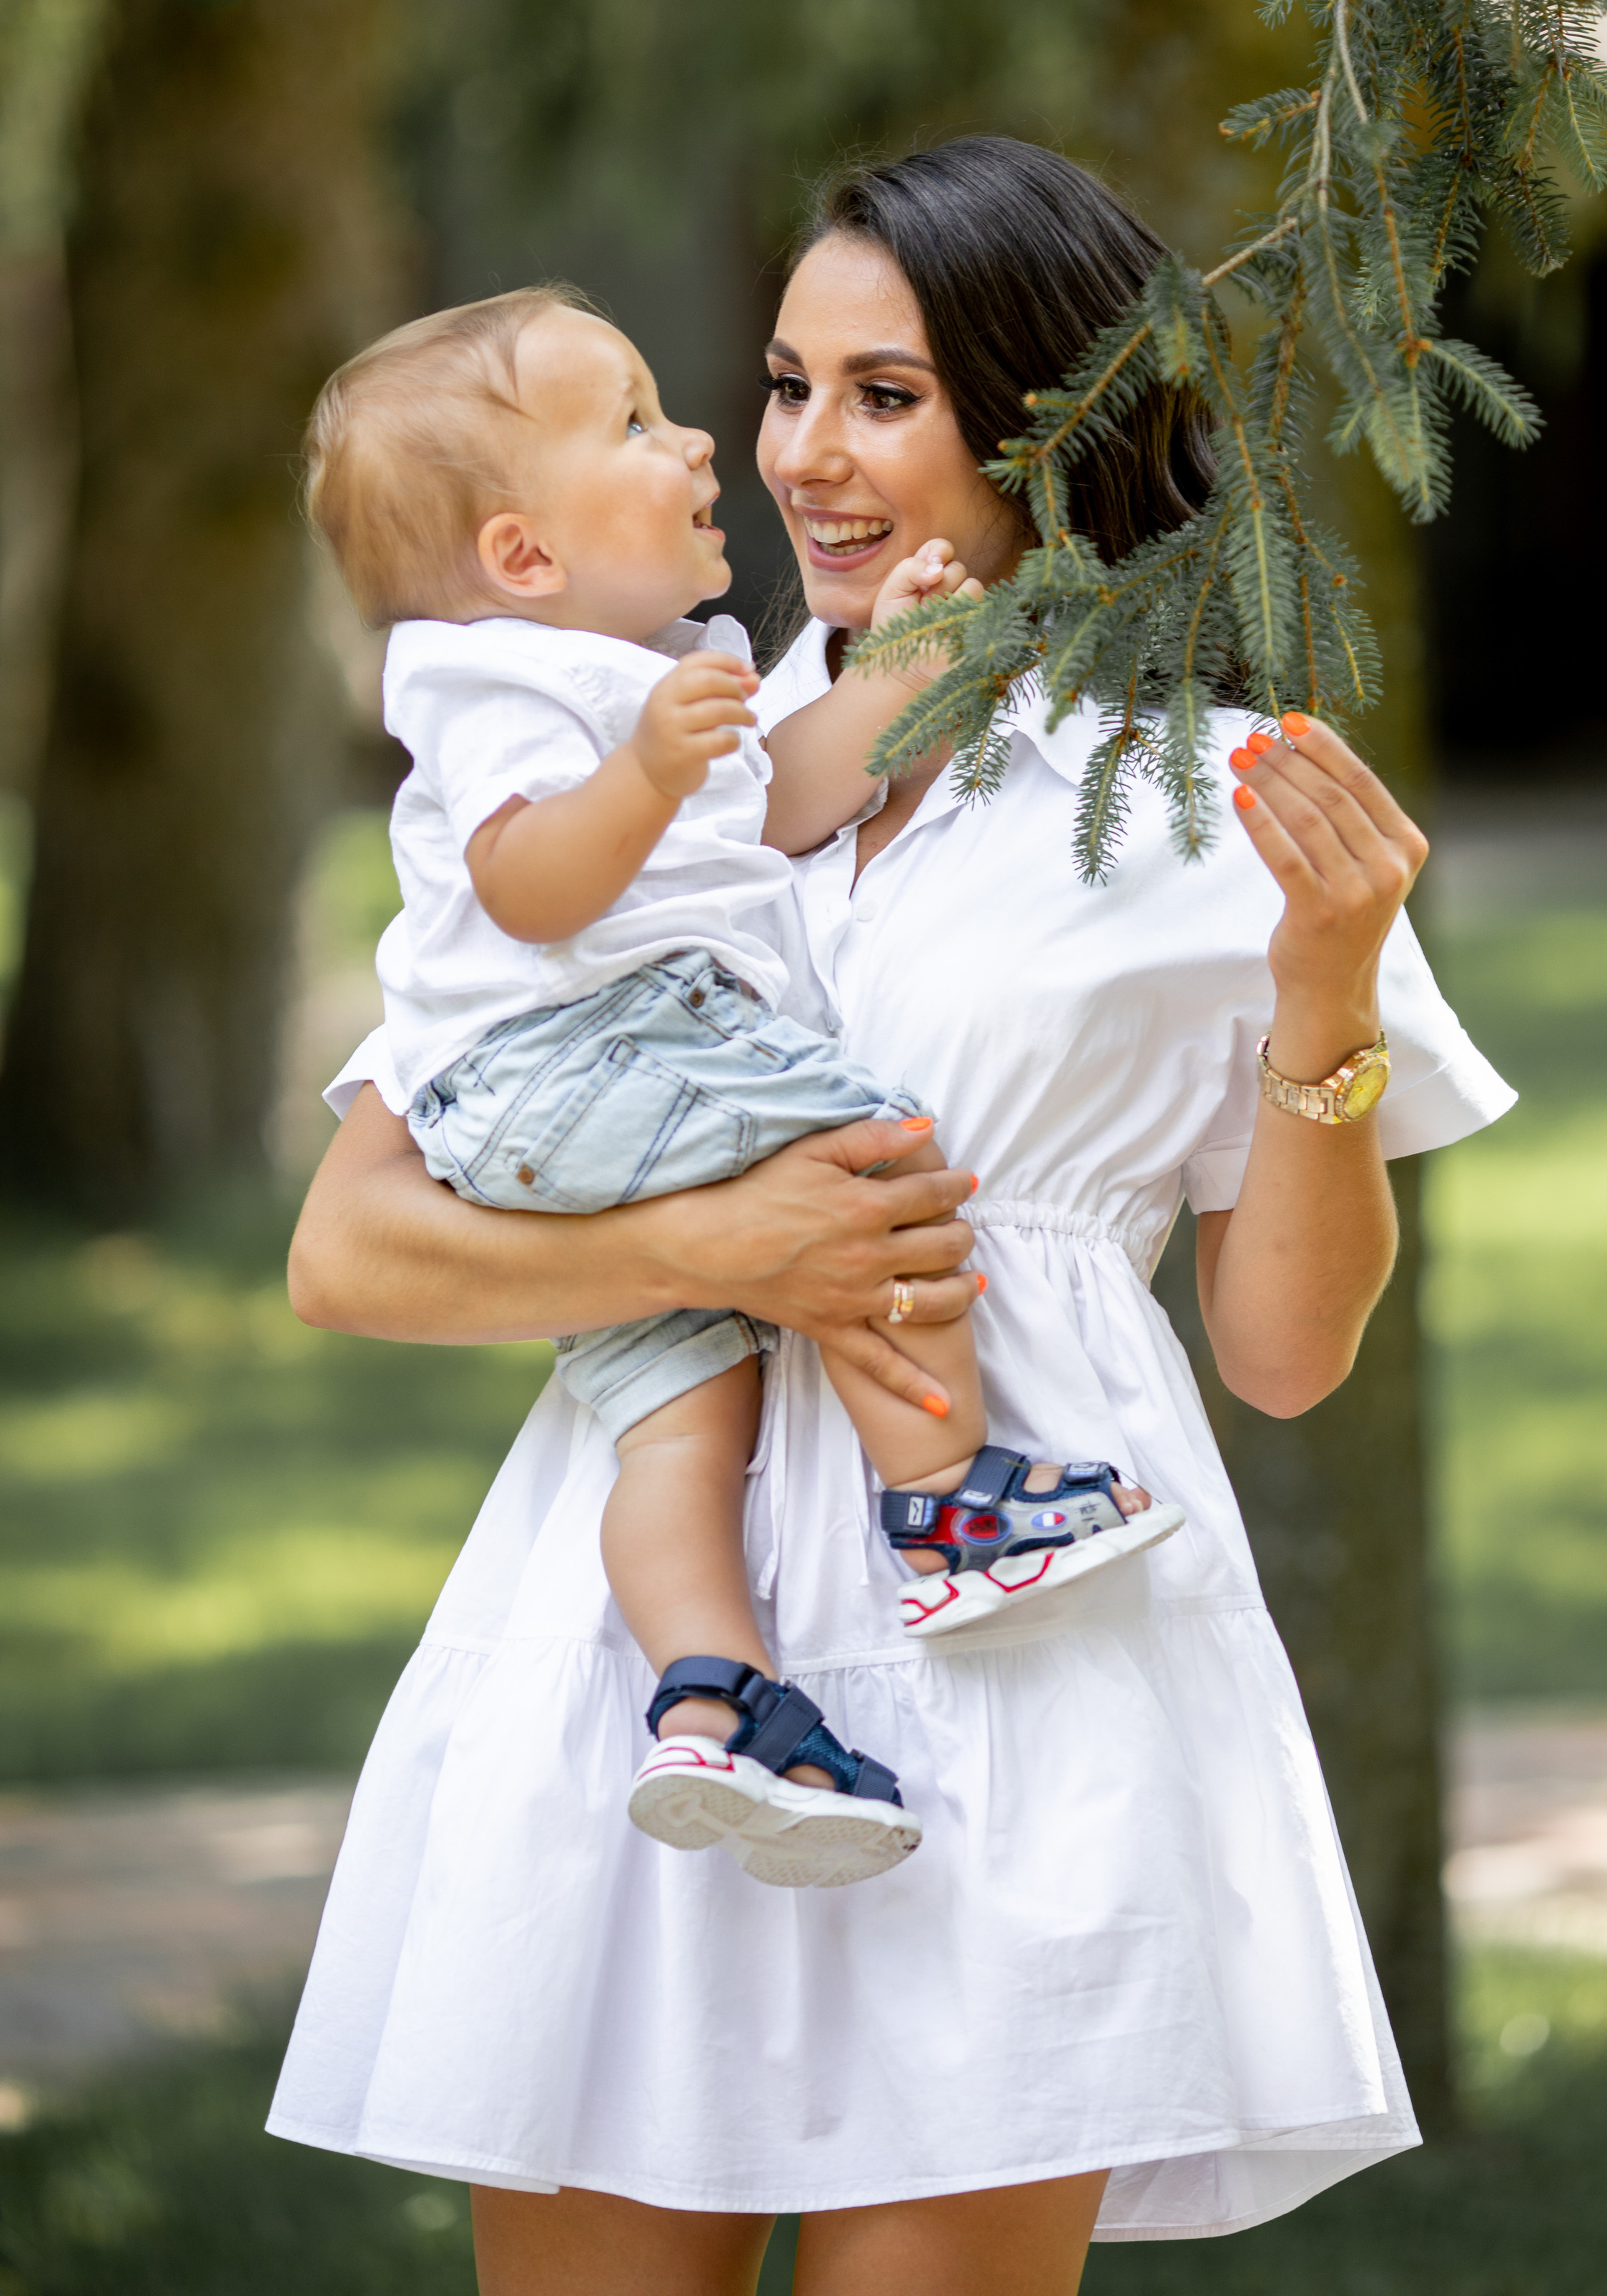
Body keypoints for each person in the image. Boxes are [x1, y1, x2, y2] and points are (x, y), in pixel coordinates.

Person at [269, 136, 1514, 2296]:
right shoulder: (654, 757)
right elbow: (350, 1245)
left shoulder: (1210, 798)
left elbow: (1289, 1355)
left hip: (1024, 1681)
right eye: (779, 386)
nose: (803, 461)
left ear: (1052, 426)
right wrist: (711, 1256)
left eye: (888, 396)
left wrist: (1325, 993)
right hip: (658, 1670)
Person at [301, 288, 1174, 1886]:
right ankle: (944, 1502)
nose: (705, 438)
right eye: (633, 422)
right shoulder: (500, 685)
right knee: (877, 1158)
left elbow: (767, 802)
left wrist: (906, 661)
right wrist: (640, 770)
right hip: (583, 1057)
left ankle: (713, 1699)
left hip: (562, 1118)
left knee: (676, 1426)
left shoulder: (646, 674)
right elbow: (528, 887)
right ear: (521, 559)